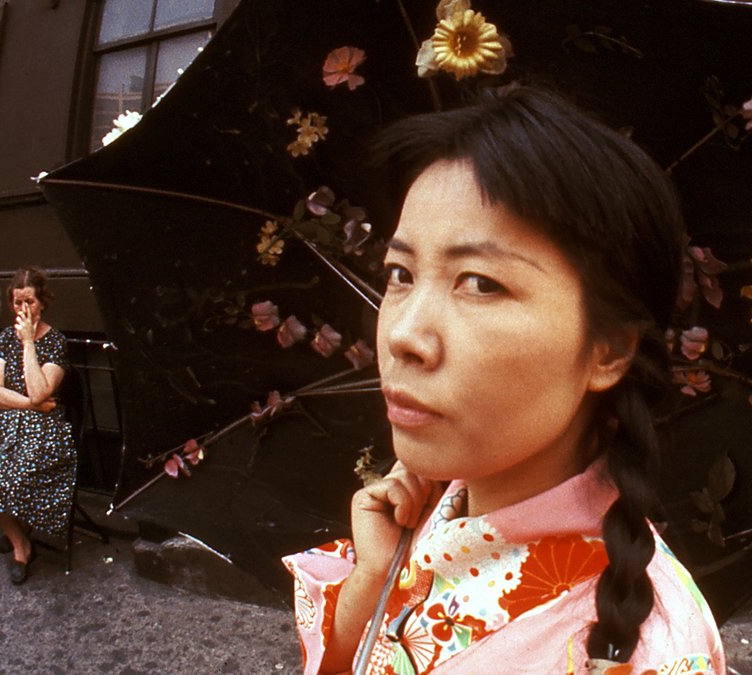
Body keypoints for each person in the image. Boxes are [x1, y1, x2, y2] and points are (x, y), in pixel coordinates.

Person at [284, 87, 726, 674]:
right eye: (400, 273)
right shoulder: (432, 510)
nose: (402, 335)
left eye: (481, 283)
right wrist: (373, 581)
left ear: (610, 350)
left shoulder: (644, 649)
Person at [0, 267, 76, 585]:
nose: (23, 309)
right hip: (5, 428)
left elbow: (39, 390)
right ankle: (21, 541)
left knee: (16, 476)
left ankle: (20, 536)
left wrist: (29, 343)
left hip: (44, 430)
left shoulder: (55, 341)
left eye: (29, 301)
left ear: (42, 302)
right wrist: (32, 404)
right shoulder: (7, 338)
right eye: (18, 302)